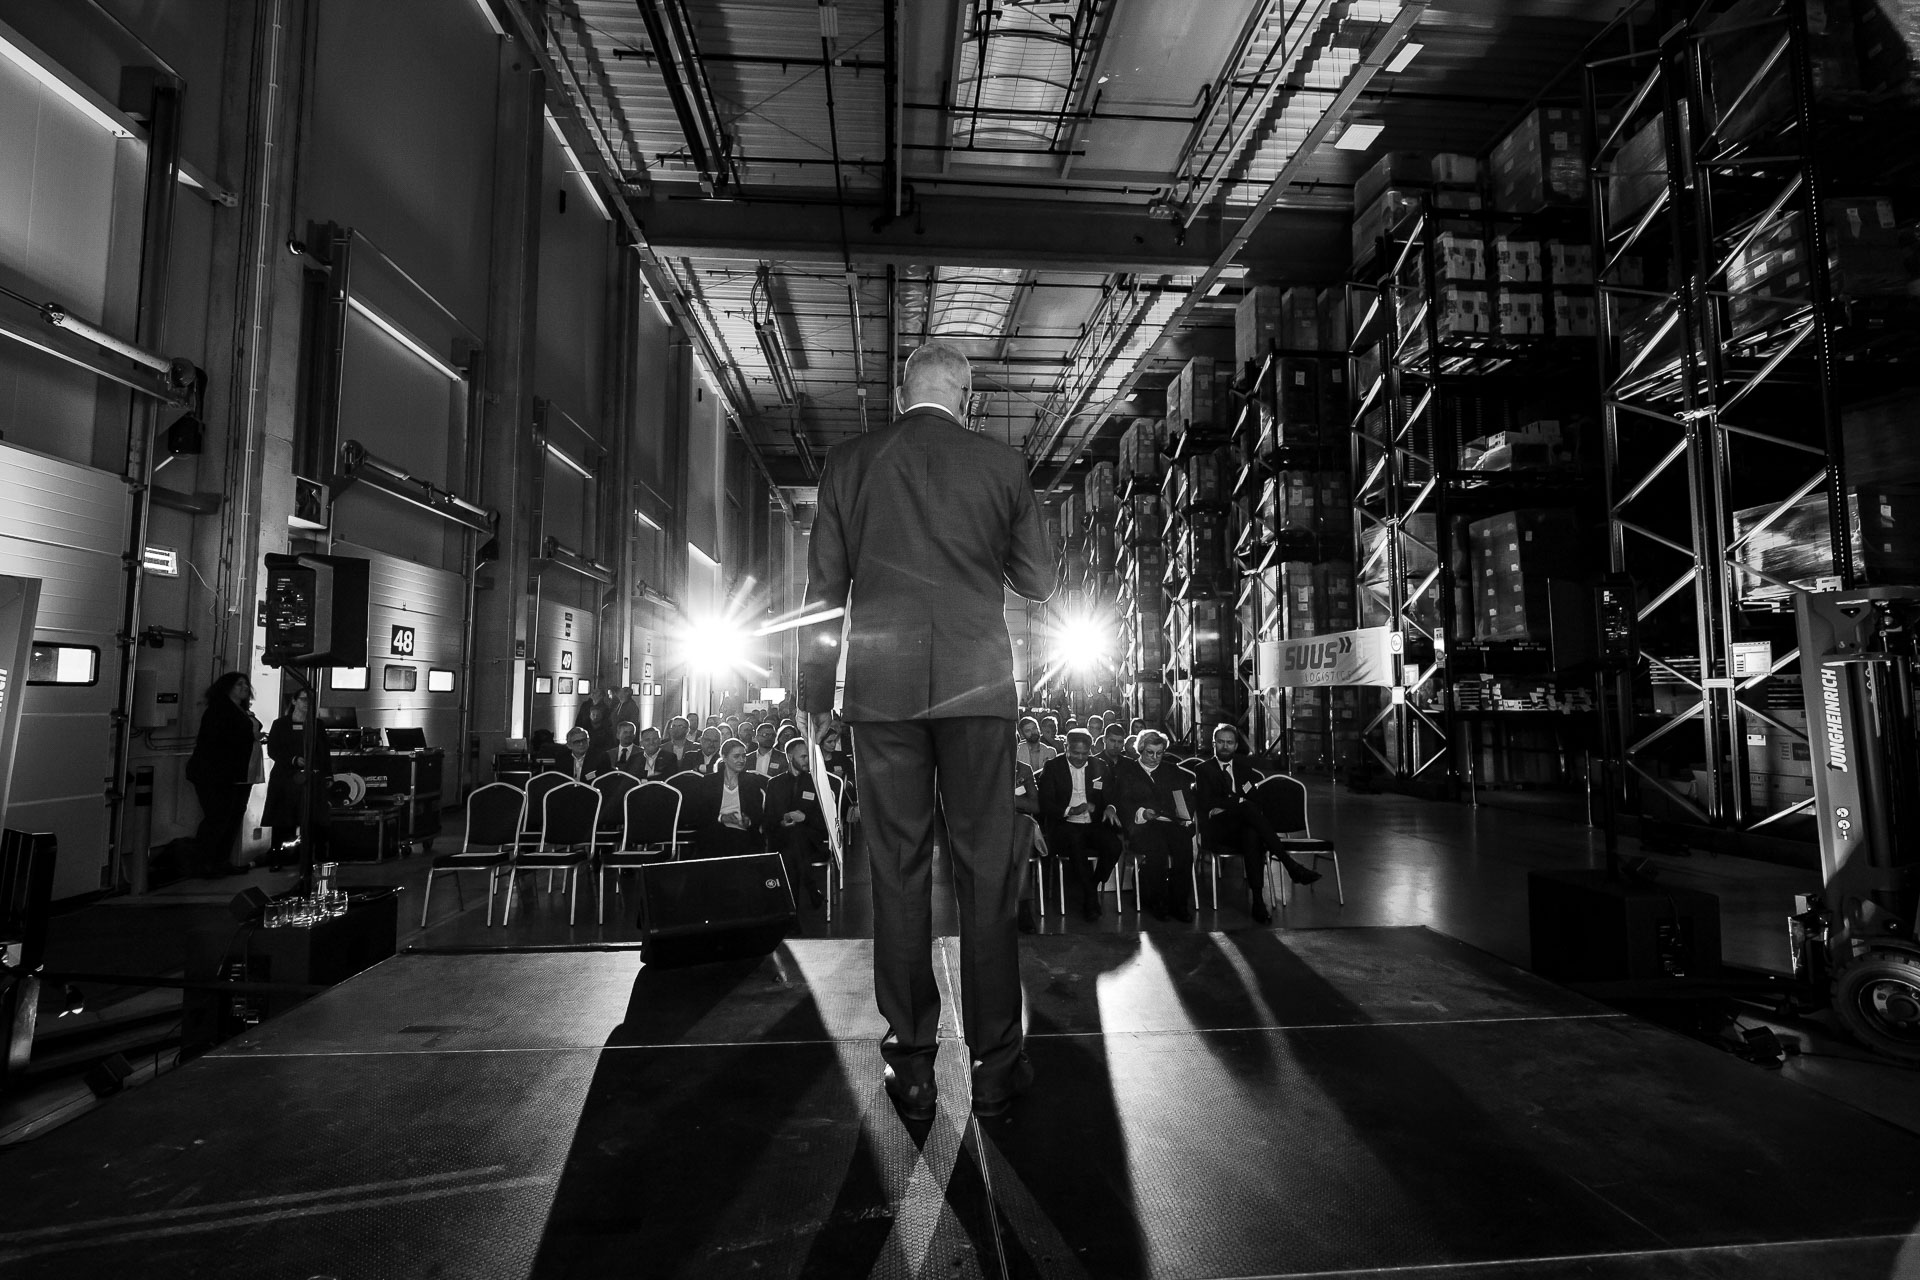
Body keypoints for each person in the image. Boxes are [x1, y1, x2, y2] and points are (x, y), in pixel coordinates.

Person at [798, 338, 1054, 1122]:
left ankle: (911, 1067)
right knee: (987, 872)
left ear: (900, 394)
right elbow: (1039, 580)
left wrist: (813, 692)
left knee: (897, 874)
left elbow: (823, 592)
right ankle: (996, 1066)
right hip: (979, 691)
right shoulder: (1001, 464)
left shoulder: (849, 463)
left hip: (883, 696)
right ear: (966, 398)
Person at [1191, 722, 1322, 926]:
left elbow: (1256, 801)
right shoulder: (1203, 769)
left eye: (1229, 742)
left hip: (1241, 827)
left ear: (1236, 746)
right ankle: (1290, 865)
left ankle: (1258, 901)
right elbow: (1207, 803)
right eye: (1221, 742)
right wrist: (1239, 802)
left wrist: (1228, 804)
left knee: (1252, 833)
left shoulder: (1245, 771)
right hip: (1217, 830)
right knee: (1247, 809)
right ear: (1213, 743)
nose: (1225, 746)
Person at [1036, 729, 1124, 922]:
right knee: (1076, 841)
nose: (1080, 758)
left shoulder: (1099, 766)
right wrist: (1071, 810)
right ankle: (1091, 899)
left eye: (1085, 753)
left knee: (1114, 845)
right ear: (1066, 747)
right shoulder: (1053, 767)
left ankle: (1091, 886)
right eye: (1075, 753)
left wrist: (1110, 808)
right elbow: (1045, 803)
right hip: (1063, 824)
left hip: (1092, 823)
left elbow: (1111, 795)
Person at [1113, 730, 1198, 921]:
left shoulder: (1172, 770)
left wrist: (1183, 813)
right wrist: (1143, 812)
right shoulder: (1127, 772)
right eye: (1149, 753)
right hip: (1142, 826)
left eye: (1159, 753)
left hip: (1170, 823)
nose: (1154, 758)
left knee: (1184, 847)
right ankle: (1158, 902)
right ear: (1140, 750)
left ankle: (1179, 904)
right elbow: (1123, 804)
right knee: (1157, 850)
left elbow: (1185, 798)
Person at [184, 672, 263, 878]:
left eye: (246, 684)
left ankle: (221, 860)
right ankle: (205, 863)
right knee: (218, 817)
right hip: (218, 774)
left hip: (239, 773)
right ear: (227, 687)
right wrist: (250, 737)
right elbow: (218, 740)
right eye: (239, 684)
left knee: (232, 816)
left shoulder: (241, 710)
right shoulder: (219, 711)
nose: (244, 687)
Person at [263, 687, 330, 868]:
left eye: (310, 700)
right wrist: (293, 760)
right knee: (283, 818)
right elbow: (273, 750)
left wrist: (327, 775)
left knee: (312, 817)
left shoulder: (317, 725)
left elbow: (324, 751)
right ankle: (279, 856)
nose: (307, 703)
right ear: (294, 701)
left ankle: (311, 855)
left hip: (310, 777)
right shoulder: (280, 724)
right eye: (303, 699)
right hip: (285, 777)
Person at [763, 737, 830, 912]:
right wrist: (782, 821)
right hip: (782, 838)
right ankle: (811, 888)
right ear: (790, 756)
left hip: (811, 840)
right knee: (792, 843)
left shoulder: (816, 783)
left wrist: (804, 818)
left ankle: (792, 912)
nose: (807, 761)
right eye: (803, 757)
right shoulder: (774, 783)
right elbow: (768, 819)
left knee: (795, 841)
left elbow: (825, 822)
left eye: (809, 756)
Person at [690, 738, 767, 857]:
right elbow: (701, 814)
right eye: (736, 756)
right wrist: (722, 818)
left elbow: (757, 814)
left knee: (739, 840)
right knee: (717, 838)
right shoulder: (709, 782)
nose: (741, 760)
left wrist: (748, 821)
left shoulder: (751, 782)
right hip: (715, 832)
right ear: (724, 758)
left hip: (743, 834)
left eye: (744, 756)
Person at [1012, 755, 1043, 934]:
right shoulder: (983, 765)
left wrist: (1007, 798)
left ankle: (1018, 905)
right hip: (990, 824)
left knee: (1024, 825)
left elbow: (1036, 806)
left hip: (1018, 824)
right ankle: (1022, 906)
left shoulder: (1023, 769)